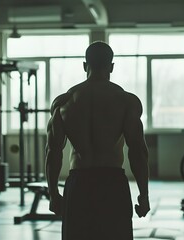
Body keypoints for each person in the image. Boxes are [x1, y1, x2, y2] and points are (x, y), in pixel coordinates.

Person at [45, 41, 150, 240]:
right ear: (111, 67)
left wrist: (53, 193)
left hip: (79, 184)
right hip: (112, 183)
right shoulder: (126, 101)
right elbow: (138, 151)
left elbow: (53, 151)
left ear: (85, 66)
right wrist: (143, 195)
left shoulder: (63, 102)